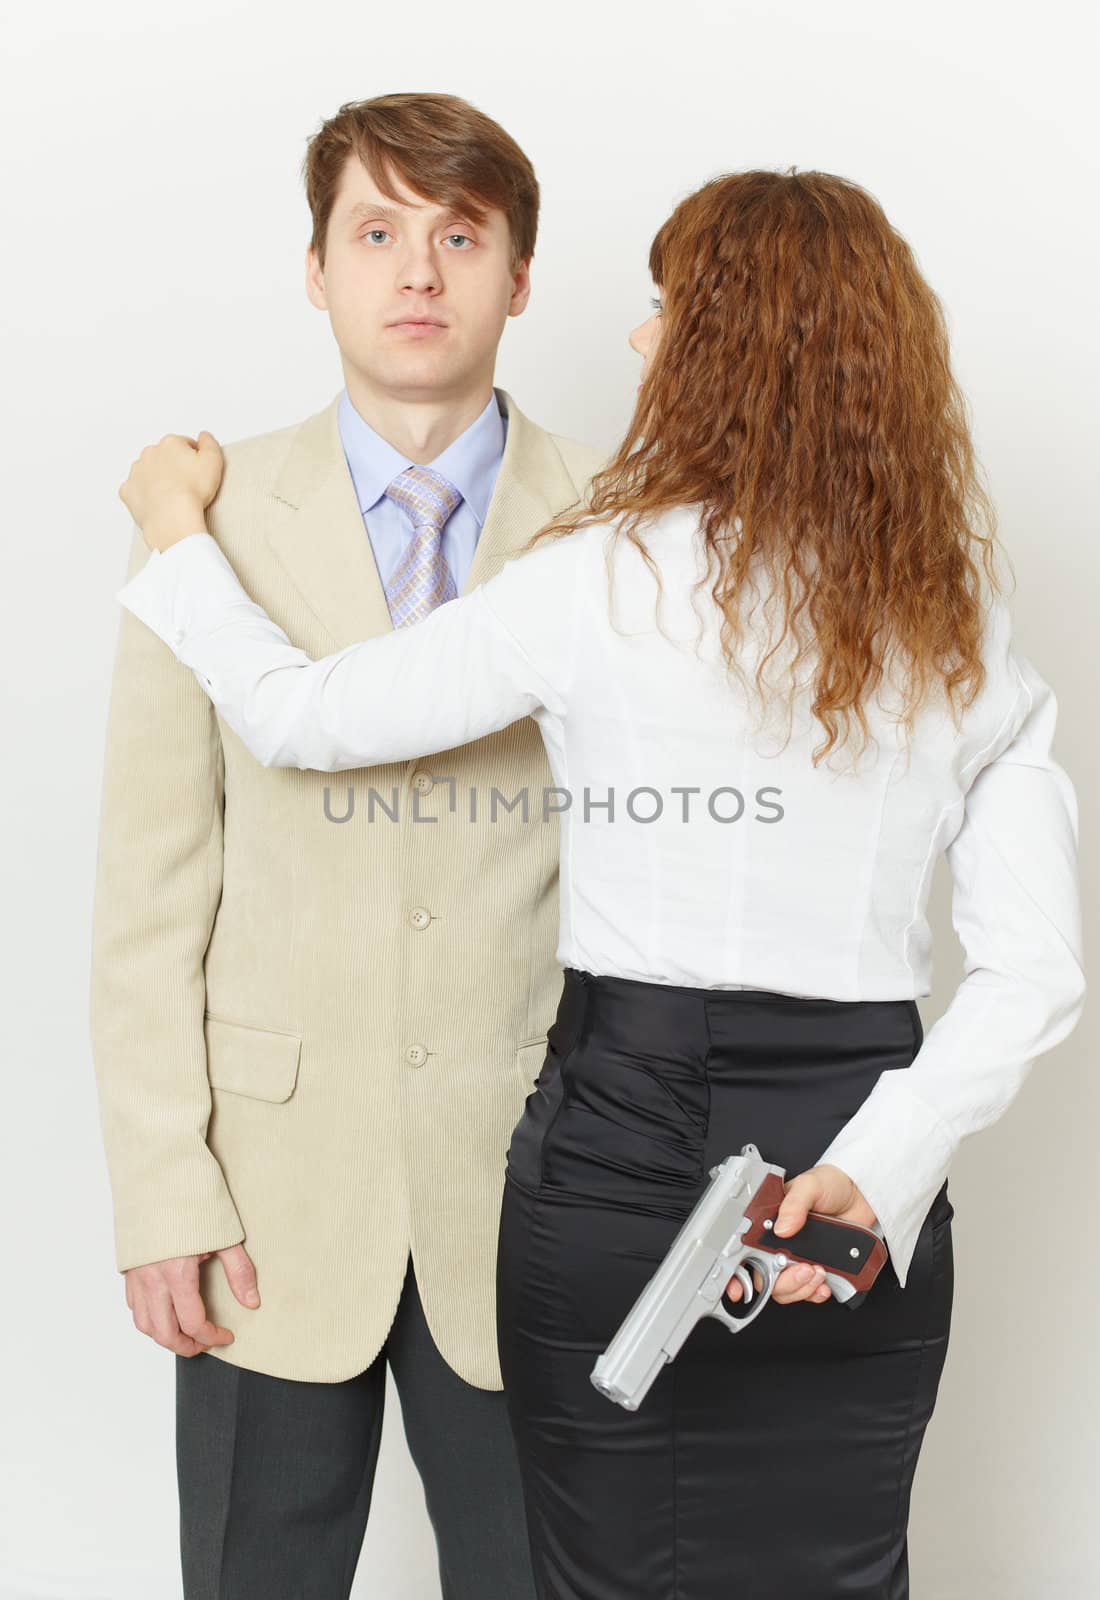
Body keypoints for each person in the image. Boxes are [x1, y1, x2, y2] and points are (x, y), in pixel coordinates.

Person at [112, 169, 1084, 1600]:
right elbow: (1037, 972)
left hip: (620, 1152)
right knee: (844, 1571)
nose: (639, 342)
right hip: (860, 1164)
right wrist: (881, 1165)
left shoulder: (603, 580)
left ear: (721, 347)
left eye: (664, 309)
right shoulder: (955, 618)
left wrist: (176, 535)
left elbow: (304, 720)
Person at [89, 92, 604, 1600]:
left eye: (461, 236)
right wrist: (163, 1191)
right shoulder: (208, 516)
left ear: (521, 275)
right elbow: (147, 893)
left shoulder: (618, 525)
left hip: (532, 1203)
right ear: (316, 270)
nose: (420, 273)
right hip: (270, 1199)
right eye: (376, 234)